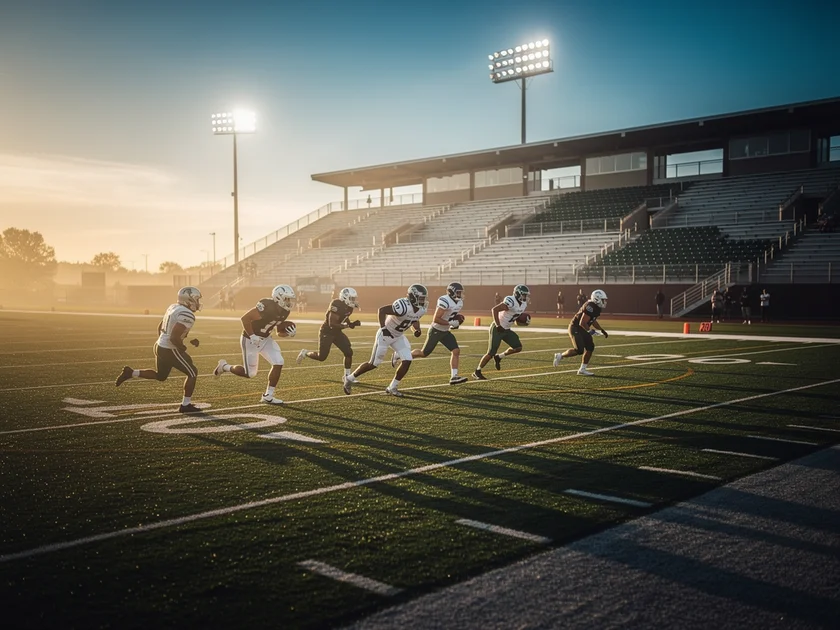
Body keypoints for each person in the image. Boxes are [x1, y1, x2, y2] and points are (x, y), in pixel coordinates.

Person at [115, 287, 203, 413]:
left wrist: (163, 342)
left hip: (160, 345)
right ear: (189, 300)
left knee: (161, 376)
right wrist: (181, 347)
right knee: (192, 372)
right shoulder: (187, 314)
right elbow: (174, 337)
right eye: (196, 299)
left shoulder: (173, 307)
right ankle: (185, 405)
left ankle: (131, 373)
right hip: (169, 348)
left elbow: (160, 326)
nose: (198, 303)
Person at [213, 284, 296, 405]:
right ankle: (224, 366)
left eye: (290, 299)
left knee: (279, 361)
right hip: (250, 339)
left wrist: (288, 333)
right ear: (278, 298)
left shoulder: (284, 311)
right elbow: (245, 318)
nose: (289, 302)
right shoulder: (266, 306)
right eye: (287, 299)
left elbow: (278, 332)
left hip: (266, 339)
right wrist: (252, 335)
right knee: (250, 374)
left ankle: (268, 395)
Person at [343, 284, 428, 397]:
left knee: (407, 360)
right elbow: (382, 310)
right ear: (413, 297)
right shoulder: (403, 306)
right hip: (385, 335)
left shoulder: (421, 309)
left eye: (423, 298)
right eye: (420, 298)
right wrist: (384, 328)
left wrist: (416, 329)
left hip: (398, 336)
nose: (423, 301)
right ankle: (349, 378)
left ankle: (392, 387)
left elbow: (414, 319)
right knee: (373, 364)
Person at [395, 282, 468, 385]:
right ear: (452, 292)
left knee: (456, 351)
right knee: (423, 353)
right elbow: (436, 319)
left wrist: (455, 322)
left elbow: (450, 316)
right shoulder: (445, 300)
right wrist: (450, 322)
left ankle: (454, 376)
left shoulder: (459, 302)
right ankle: (400, 355)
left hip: (445, 331)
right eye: (459, 292)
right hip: (436, 330)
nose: (461, 295)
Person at [297, 287, 361, 382]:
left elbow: (344, 317)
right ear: (345, 297)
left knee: (348, 352)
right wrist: (347, 326)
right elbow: (332, 324)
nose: (353, 300)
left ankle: (347, 377)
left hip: (337, 332)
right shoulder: (336, 304)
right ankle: (305, 353)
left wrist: (351, 323)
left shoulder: (349, 307)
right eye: (351, 298)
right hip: (327, 332)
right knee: (321, 357)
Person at [473, 284, 529, 380]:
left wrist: (522, 321)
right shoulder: (510, 301)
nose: (525, 297)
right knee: (491, 353)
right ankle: (477, 371)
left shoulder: (523, 304)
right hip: (497, 328)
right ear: (518, 294)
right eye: (524, 295)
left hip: (506, 329)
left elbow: (514, 317)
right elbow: (494, 310)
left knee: (518, 347)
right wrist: (498, 325)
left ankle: (499, 357)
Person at [553, 289, 609, 376]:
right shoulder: (590, 306)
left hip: (582, 328)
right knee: (579, 350)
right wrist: (590, 331)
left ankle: (582, 369)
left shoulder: (596, 307)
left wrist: (601, 329)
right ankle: (560, 356)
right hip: (575, 327)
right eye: (603, 300)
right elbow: (582, 322)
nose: (604, 302)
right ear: (597, 299)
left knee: (590, 347)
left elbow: (593, 320)